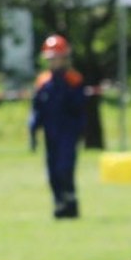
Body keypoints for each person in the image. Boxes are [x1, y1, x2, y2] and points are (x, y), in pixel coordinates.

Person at [29, 34, 85, 220]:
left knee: (65, 168)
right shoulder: (43, 81)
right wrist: (33, 129)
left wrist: (80, 132)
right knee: (52, 171)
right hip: (50, 133)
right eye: (51, 57)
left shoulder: (74, 80)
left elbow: (79, 109)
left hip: (68, 133)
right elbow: (37, 108)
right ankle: (59, 203)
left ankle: (71, 204)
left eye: (57, 57)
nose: (54, 61)